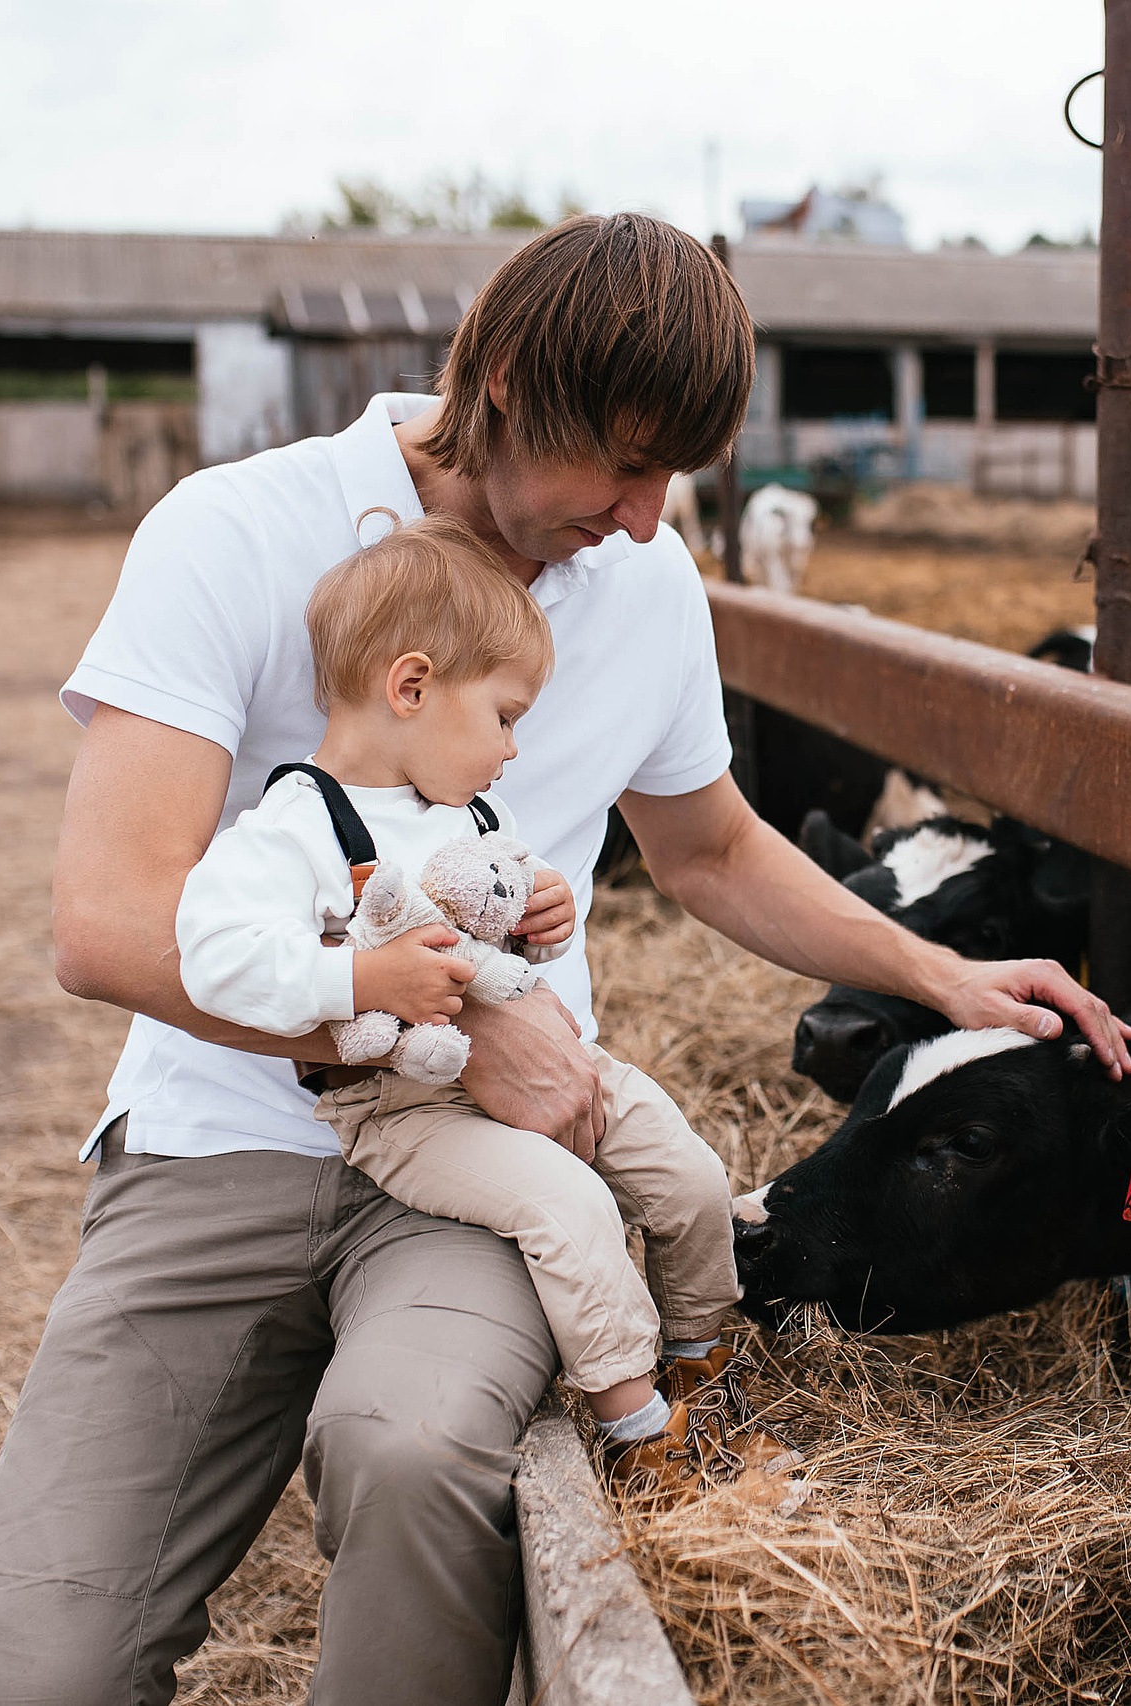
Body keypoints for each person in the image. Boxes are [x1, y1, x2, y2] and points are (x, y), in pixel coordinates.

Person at [0, 211, 1131, 1706]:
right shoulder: (238, 531)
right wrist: (412, 1013)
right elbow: (107, 920)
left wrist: (945, 979)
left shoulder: (645, 588)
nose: (647, 516)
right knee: (44, 1673)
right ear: (503, 378)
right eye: (626, 465)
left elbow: (707, 849)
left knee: (415, 1444)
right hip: (221, 1140)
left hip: (492, 1155)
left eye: (674, 479)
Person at [173, 513, 767, 1501]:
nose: (513, 747)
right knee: (568, 1207)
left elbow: (503, 937)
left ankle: (699, 1357)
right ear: (409, 687)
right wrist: (361, 983)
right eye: (502, 715)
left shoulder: (472, 813)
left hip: (537, 1056)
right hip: (403, 1103)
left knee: (689, 1174)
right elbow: (215, 957)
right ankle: (642, 1434)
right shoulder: (293, 826)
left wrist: (549, 918)